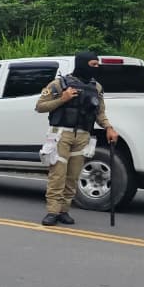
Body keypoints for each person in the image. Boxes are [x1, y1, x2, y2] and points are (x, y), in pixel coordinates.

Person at [34, 50, 118, 226]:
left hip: (83, 136)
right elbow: (40, 106)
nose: (96, 68)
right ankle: (53, 211)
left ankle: (64, 210)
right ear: (82, 64)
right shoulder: (59, 84)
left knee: (73, 176)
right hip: (61, 134)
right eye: (93, 65)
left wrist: (109, 127)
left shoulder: (97, 88)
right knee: (58, 174)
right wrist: (62, 99)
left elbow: (100, 112)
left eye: (97, 65)